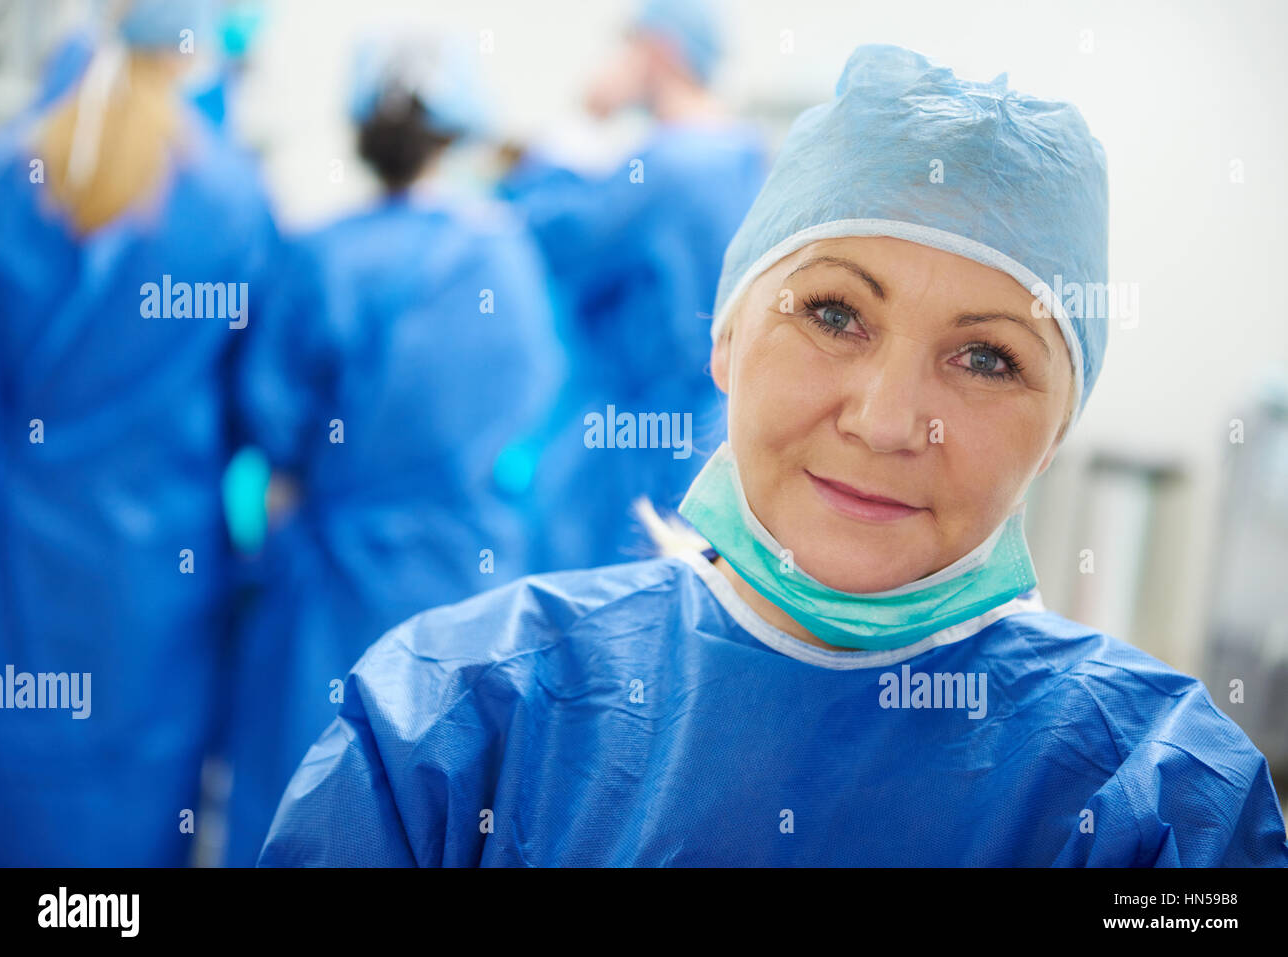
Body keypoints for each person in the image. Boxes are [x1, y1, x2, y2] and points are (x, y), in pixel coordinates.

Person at [256, 44, 1288, 867]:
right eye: (834, 311)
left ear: (1057, 432)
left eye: (986, 357)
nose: (888, 420)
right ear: (724, 339)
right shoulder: (453, 727)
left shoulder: (1158, 809)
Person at [219, 31, 563, 867]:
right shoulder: (508, 257)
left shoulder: (323, 256)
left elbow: (272, 419)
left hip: (327, 585)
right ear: (460, 133)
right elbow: (532, 402)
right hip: (465, 577)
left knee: (304, 796)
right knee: (453, 806)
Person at [0, 0, 275, 866]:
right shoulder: (227, 198)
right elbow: (267, 404)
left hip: (13, 563)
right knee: (135, 804)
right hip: (153, 572)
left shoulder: (13, 172)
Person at [498, 0, 768, 572]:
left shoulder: (668, 166)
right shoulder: (746, 157)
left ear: (657, 51)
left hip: (622, 451)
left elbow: (551, 234)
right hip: (705, 442)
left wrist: (580, 122)